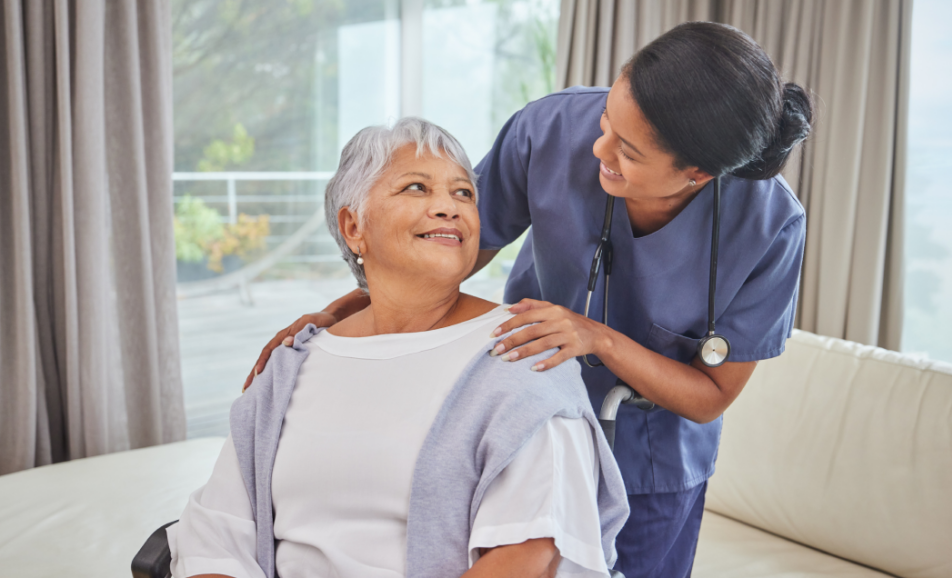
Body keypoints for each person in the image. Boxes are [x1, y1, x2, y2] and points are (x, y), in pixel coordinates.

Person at [245, 22, 812, 577]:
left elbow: (710, 396)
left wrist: (598, 338)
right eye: (606, 119)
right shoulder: (550, 129)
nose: (598, 148)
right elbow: (445, 247)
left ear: (696, 172)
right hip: (520, 414)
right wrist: (340, 313)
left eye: (629, 152)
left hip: (651, 462)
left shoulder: (770, 227)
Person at [168, 118, 629, 578]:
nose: (448, 207)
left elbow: (527, 556)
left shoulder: (524, 349)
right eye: (416, 188)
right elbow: (215, 539)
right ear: (353, 226)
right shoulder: (292, 366)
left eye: (463, 193)